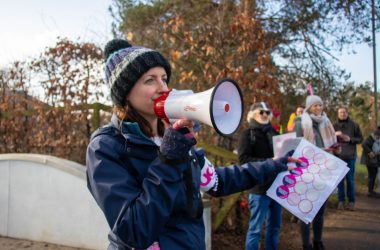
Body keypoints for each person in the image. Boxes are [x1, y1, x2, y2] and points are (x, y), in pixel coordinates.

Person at [85, 39, 298, 250]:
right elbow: (132, 230)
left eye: (164, 78)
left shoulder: (169, 137)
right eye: (150, 80)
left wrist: (273, 165)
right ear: (125, 93)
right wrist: (169, 158)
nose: (163, 88)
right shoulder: (106, 147)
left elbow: (218, 181)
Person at [294, 94, 340, 250]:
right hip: (307, 170)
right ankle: (306, 243)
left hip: (325, 169)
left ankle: (318, 241)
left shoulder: (326, 122)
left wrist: (336, 149)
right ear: (309, 107)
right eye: (315, 105)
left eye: (320, 105)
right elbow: (297, 148)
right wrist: (320, 150)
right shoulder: (301, 122)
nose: (319, 108)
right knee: (306, 209)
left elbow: (332, 142)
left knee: (320, 209)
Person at [237, 102, 281, 250]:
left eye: (267, 112)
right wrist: (269, 162)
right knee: (255, 230)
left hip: (277, 187)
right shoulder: (247, 134)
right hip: (258, 188)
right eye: (261, 111)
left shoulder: (275, 134)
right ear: (252, 114)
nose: (265, 115)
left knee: (274, 228)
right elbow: (243, 160)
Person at [333, 105, 363, 210]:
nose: (342, 114)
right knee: (339, 181)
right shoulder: (334, 125)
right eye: (340, 112)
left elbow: (360, 139)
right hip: (338, 156)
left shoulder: (354, 125)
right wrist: (335, 135)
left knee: (350, 180)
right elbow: (328, 139)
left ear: (347, 113)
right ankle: (341, 201)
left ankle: (351, 202)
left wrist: (350, 139)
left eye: (344, 112)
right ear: (338, 114)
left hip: (350, 156)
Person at [361, 127, 380, 198]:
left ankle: (371, 190)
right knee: (371, 175)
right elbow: (364, 144)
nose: (378, 138)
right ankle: (370, 191)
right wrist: (370, 152)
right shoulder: (370, 139)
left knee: (373, 175)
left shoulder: (374, 139)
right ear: (376, 135)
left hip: (373, 161)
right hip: (369, 161)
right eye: (378, 136)